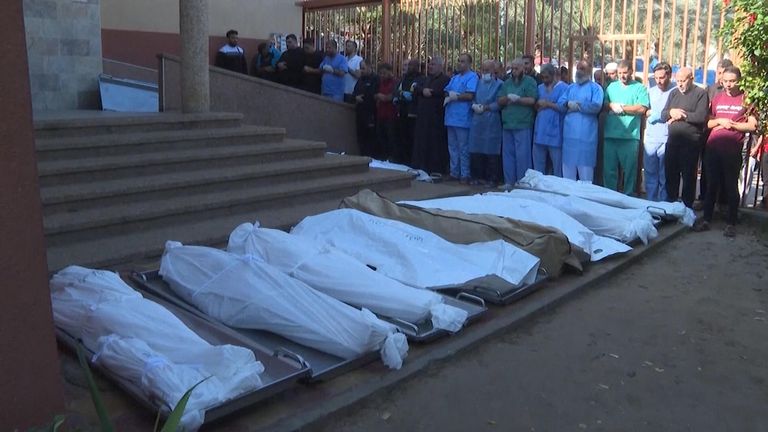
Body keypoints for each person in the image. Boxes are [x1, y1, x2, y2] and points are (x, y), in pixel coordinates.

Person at [693, 66, 758, 236]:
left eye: (732, 81)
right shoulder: (717, 98)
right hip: (712, 147)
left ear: (739, 81)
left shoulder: (746, 99)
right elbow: (707, 122)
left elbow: (752, 125)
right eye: (725, 81)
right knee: (710, 185)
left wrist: (734, 125)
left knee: (730, 186)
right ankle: (706, 219)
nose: (728, 84)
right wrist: (721, 121)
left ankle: (731, 223)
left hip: (732, 150)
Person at [661, 66, 709, 208]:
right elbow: (663, 114)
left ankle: (687, 207)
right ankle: (670, 206)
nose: (680, 84)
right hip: (673, 142)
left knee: (688, 177)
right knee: (671, 175)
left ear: (691, 79)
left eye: (683, 81)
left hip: (690, 143)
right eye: (678, 81)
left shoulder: (700, 93)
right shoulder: (674, 93)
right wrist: (671, 112)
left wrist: (681, 115)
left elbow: (701, 117)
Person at [602, 60, 650, 195]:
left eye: (625, 73)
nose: (622, 76)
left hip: (629, 136)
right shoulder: (611, 87)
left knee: (630, 171)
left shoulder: (639, 88)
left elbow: (642, 107)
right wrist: (611, 105)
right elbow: (604, 103)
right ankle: (609, 197)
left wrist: (623, 108)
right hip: (610, 135)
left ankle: (629, 197)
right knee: (609, 170)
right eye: (619, 73)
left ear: (631, 71)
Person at [697, 58, 736, 209]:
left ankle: (723, 203)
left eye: (722, 73)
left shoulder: (735, 92)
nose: (720, 77)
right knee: (707, 172)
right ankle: (703, 199)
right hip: (710, 136)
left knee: (727, 176)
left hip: (729, 140)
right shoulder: (711, 89)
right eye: (718, 73)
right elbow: (706, 112)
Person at [557, 60, 604, 182]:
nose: (579, 71)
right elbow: (560, 104)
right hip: (569, 137)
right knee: (568, 176)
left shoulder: (596, 89)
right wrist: (568, 104)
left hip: (586, 138)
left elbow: (596, 106)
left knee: (586, 177)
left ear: (589, 71)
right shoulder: (570, 88)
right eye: (577, 68)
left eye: (582, 68)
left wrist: (578, 106)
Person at [497, 58, 538, 187]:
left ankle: (523, 182)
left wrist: (518, 99)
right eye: (512, 68)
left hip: (523, 123)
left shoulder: (530, 82)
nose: (514, 71)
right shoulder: (507, 83)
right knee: (508, 154)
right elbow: (499, 100)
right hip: (508, 122)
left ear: (523, 69)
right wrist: (507, 98)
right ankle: (509, 181)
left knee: (522, 156)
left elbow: (532, 100)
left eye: (516, 68)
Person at [412, 56, 451, 175]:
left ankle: (436, 168)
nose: (430, 66)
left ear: (440, 66)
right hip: (423, 115)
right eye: (430, 64)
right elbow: (415, 88)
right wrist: (422, 90)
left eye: (433, 64)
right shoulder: (425, 79)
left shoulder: (445, 79)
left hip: (436, 117)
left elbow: (442, 93)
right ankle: (421, 165)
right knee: (421, 142)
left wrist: (429, 92)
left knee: (435, 143)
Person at [443, 53, 479, 182]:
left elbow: (470, 95)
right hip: (451, 116)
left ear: (469, 64)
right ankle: (454, 172)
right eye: (459, 61)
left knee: (463, 147)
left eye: (463, 61)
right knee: (452, 147)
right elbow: (446, 90)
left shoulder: (472, 77)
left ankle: (465, 174)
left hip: (463, 118)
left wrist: (456, 96)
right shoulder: (455, 78)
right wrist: (449, 94)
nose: (460, 63)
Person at [468, 60, 504, 186]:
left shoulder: (500, 85)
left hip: (492, 120)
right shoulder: (477, 83)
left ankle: (492, 179)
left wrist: (486, 107)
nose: (484, 73)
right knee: (475, 148)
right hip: (477, 120)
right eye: (483, 70)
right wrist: (474, 105)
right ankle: (476, 176)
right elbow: (471, 96)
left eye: (487, 70)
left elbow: (500, 102)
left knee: (491, 150)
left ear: (494, 71)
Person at [643, 62, 675, 201]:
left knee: (664, 174)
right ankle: (651, 202)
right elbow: (644, 109)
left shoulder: (675, 91)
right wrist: (649, 112)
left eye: (661, 78)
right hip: (651, 138)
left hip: (667, 138)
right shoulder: (650, 91)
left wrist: (660, 115)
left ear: (669, 75)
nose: (659, 81)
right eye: (656, 78)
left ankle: (663, 204)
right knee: (650, 173)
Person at [533, 64, 568, 176]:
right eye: (542, 77)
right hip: (541, 129)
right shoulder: (540, 88)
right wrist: (545, 104)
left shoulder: (563, 88)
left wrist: (547, 104)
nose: (544, 80)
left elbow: (563, 107)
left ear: (553, 75)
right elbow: (536, 105)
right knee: (538, 163)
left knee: (557, 164)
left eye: (547, 77)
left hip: (555, 130)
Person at [395, 59, 420, 165]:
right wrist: (398, 96)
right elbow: (397, 90)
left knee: (411, 138)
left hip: (412, 113)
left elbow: (416, 94)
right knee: (401, 137)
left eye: (411, 66)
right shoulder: (404, 78)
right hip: (402, 111)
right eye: (407, 65)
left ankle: (410, 161)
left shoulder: (420, 79)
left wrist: (408, 96)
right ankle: (402, 160)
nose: (408, 67)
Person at [353, 59, 378, 158]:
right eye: (360, 68)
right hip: (360, 112)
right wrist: (355, 98)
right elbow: (354, 92)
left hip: (370, 112)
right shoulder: (361, 79)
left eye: (363, 68)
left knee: (370, 138)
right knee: (360, 137)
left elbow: (373, 94)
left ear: (369, 67)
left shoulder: (375, 79)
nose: (361, 71)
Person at [375, 63, 399, 161]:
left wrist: (384, 97)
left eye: (384, 73)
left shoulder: (395, 82)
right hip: (381, 113)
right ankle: (384, 156)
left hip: (391, 115)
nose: (382, 75)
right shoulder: (380, 83)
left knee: (391, 138)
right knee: (381, 136)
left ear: (390, 72)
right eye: (380, 73)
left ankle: (392, 157)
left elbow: (393, 96)